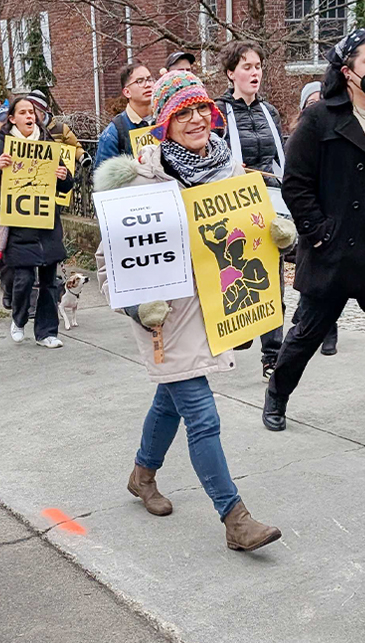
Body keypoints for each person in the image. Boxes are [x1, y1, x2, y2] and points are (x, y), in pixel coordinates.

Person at [94, 69, 285, 551]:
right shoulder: (138, 179)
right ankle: (235, 519)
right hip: (164, 315)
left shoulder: (230, 171)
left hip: (215, 307)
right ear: (164, 123)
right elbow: (107, 262)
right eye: (183, 112)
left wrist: (276, 234)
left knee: (170, 400)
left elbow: (246, 232)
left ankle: (142, 474)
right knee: (201, 414)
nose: (197, 118)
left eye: (202, 109)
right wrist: (139, 307)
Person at [262, 29, 365, 448]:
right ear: (347, 71)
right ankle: (276, 396)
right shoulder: (321, 118)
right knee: (306, 334)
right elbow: (295, 184)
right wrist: (318, 234)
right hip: (336, 252)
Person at [215, 40, 287, 380]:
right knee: (238, 271)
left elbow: (281, 157)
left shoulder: (269, 112)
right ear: (231, 74)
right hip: (234, 205)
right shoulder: (217, 112)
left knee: (273, 278)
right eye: (246, 67)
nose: (254, 72)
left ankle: (272, 356)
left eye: (257, 66)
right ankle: (240, 330)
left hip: (270, 201)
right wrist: (229, 166)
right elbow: (208, 157)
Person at [0, 96, 73, 348]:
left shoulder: (47, 144)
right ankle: (19, 318)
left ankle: (47, 333)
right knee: (21, 280)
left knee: (48, 282)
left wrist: (63, 175)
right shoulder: (2, 147)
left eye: (31, 112)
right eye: (22, 112)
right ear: (12, 118)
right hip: (18, 225)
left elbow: (67, 184)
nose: (29, 116)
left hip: (46, 224)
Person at [289, 81, 338, 357]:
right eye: (311, 103)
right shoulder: (298, 138)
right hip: (309, 221)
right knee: (311, 278)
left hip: (332, 220)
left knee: (332, 280)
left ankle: (329, 330)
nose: (317, 107)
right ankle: (307, 322)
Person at [94, 62, 155, 165]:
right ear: (127, 92)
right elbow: (104, 178)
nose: (148, 85)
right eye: (140, 81)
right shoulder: (113, 133)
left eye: (149, 79)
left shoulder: (167, 120)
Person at [25, 91, 85, 162]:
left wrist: (82, 156)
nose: (29, 116)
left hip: (57, 171)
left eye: (32, 112)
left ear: (42, 113)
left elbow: (75, 147)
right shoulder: (22, 129)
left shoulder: (60, 129)